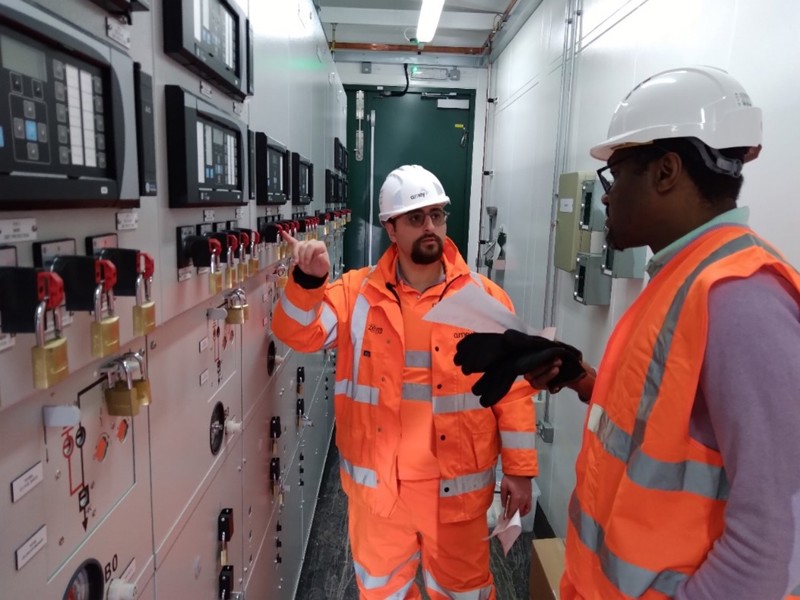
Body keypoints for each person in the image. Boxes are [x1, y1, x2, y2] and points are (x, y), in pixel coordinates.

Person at [528, 66, 800, 599]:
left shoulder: (742, 297)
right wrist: (584, 380)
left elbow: (775, 537)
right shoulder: (682, 277)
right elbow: (667, 425)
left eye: (616, 175)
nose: (604, 198)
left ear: (667, 171)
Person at [272, 164, 538, 599]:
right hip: (381, 496)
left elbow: (514, 390)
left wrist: (520, 469)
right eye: (416, 218)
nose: (430, 227)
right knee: (382, 593)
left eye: (436, 215)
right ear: (391, 230)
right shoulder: (357, 294)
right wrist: (308, 280)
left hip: (457, 495)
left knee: (463, 594)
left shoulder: (484, 299)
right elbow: (297, 332)